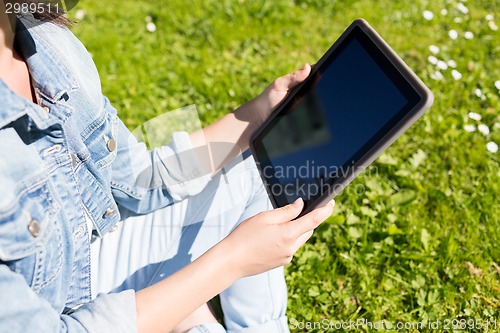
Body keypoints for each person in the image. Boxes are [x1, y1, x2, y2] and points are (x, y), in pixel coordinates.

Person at [0, 2, 335, 332]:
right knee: (197, 319)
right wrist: (231, 261)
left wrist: (255, 115)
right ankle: (189, 315)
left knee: (253, 168)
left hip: (86, 265)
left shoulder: (42, 41)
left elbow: (134, 180)